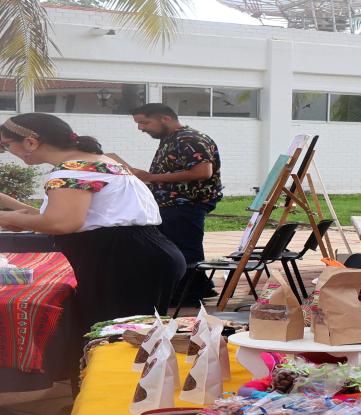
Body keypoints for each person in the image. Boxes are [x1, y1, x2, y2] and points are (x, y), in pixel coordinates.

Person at [0, 113, 186, 331]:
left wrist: (6, 217)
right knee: (134, 334)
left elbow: (62, 223)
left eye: (7, 145)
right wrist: (17, 212)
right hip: (142, 254)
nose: (8, 152)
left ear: (31, 142)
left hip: (121, 261)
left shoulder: (72, 170)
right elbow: (68, 216)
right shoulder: (97, 162)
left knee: (116, 336)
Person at [130, 103, 223, 304]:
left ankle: (188, 295)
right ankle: (200, 287)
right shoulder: (172, 138)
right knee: (180, 247)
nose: (141, 128)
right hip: (175, 204)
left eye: (145, 123)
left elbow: (203, 172)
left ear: (165, 118)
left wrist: (152, 178)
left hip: (185, 203)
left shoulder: (189, 138)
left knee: (184, 249)